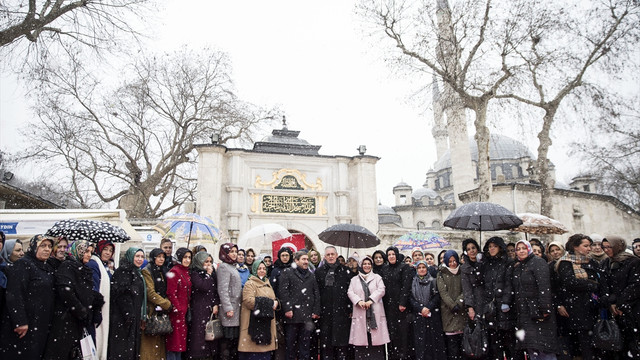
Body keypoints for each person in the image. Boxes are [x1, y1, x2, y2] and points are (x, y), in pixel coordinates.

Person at [45, 240, 104, 360]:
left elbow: (83, 291)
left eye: (90, 252)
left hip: (77, 322)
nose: (89, 255)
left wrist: (95, 301)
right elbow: (66, 292)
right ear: (78, 251)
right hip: (66, 319)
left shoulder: (81, 268)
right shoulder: (68, 267)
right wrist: (81, 310)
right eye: (86, 251)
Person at [0, 234, 55, 359]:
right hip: (26, 325)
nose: (47, 249)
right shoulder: (23, 264)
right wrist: (20, 321)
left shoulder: (46, 267)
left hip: (40, 322)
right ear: (34, 246)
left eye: (50, 246)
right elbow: (14, 293)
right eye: (43, 245)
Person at [555, 234, 603, 360]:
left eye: (589, 246)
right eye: (585, 246)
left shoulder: (591, 261)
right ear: (575, 247)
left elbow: (600, 280)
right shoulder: (565, 262)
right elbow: (570, 282)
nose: (589, 249)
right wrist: (591, 285)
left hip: (592, 306)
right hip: (576, 308)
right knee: (582, 343)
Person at [512, 240, 559, 359]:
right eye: (518, 249)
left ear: (529, 249)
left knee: (544, 347)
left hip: (538, 311)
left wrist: (544, 308)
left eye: (523, 248)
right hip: (525, 313)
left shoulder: (538, 262)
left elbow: (544, 286)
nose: (521, 251)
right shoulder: (519, 266)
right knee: (532, 347)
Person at [601, 236, 640, 358]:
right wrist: (610, 302)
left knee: (633, 342)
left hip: (631, 308)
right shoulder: (605, 263)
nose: (606, 250)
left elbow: (635, 284)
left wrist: (621, 303)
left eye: (609, 247)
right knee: (618, 343)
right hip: (613, 310)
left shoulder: (633, 262)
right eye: (605, 247)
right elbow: (604, 285)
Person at [481, 237, 520, 360]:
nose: (491, 249)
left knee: (509, 342)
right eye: (489, 246)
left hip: (505, 309)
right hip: (491, 309)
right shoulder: (486, 264)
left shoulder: (507, 263)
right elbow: (481, 283)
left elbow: (508, 284)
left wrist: (506, 301)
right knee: (494, 344)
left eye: (494, 246)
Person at [315, 246, 356, 360]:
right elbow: (316, 292)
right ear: (325, 257)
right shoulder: (319, 272)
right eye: (328, 255)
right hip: (325, 313)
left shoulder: (345, 271)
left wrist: (350, 309)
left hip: (342, 313)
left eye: (332, 254)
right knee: (327, 345)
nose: (331, 256)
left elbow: (351, 291)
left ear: (336, 255)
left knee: (342, 345)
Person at [279, 251, 321, 360]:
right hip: (292, 316)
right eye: (303, 259)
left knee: (305, 346)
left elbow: (316, 293)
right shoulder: (287, 272)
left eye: (307, 259)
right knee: (291, 346)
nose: (306, 261)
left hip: (307, 317)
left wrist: (316, 311)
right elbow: (283, 292)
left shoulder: (311, 275)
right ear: (296, 260)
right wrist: (287, 309)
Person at [347, 256, 390, 360]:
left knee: (376, 343)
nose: (367, 266)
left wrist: (371, 300)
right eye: (364, 264)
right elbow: (350, 292)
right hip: (360, 313)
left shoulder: (377, 277)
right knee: (361, 343)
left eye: (369, 264)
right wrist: (359, 301)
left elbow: (381, 290)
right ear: (361, 266)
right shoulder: (354, 279)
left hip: (375, 313)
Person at [108, 247, 146, 360]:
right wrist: (129, 314)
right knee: (122, 348)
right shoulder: (124, 271)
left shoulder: (137, 272)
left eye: (142, 257)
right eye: (137, 256)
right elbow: (121, 294)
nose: (140, 259)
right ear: (131, 257)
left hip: (133, 317)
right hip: (123, 319)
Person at [238, 259, 279, 360]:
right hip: (255, 323)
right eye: (259, 268)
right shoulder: (250, 283)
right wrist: (270, 304)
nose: (262, 270)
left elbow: (273, 298)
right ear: (255, 269)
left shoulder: (267, 282)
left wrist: (276, 302)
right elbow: (249, 301)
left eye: (264, 268)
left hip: (266, 324)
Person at [380, 246, 413, 360]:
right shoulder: (385, 268)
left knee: (403, 335)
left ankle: (403, 356)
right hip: (389, 307)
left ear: (397, 255)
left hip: (401, 308)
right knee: (391, 335)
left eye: (393, 254)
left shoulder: (404, 267)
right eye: (389, 255)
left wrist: (402, 302)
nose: (391, 256)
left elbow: (406, 286)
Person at [187, 251, 220, 360]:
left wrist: (215, 304)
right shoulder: (195, 273)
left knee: (209, 335)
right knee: (199, 337)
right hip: (199, 309)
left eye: (210, 262)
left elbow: (214, 290)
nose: (209, 264)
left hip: (209, 309)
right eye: (206, 262)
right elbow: (203, 286)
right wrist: (208, 275)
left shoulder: (211, 273)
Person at [410, 260, 446, 360]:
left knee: (433, 342)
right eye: (419, 268)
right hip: (419, 315)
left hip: (432, 315)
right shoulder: (412, 281)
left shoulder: (433, 280)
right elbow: (410, 298)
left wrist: (428, 307)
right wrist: (420, 308)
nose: (421, 270)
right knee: (421, 343)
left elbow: (437, 296)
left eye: (423, 267)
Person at [140, 248, 172, 360]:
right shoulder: (147, 270)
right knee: (150, 344)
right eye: (159, 257)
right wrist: (165, 303)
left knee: (159, 340)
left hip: (161, 311)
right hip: (151, 310)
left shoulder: (162, 271)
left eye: (163, 257)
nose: (161, 259)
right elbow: (150, 292)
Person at [87, 239, 114, 360]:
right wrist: (97, 310)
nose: (108, 253)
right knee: (95, 342)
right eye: (105, 249)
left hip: (102, 309)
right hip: (96, 310)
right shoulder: (94, 264)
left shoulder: (104, 265)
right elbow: (94, 290)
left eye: (110, 250)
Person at [437, 250, 466, 360]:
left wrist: (459, 302)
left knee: (463, 344)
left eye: (454, 261)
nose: (453, 263)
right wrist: (452, 305)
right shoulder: (441, 273)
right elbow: (443, 292)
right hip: (448, 311)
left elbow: (465, 289)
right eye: (450, 261)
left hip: (461, 311)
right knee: (452, 346)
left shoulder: (462, 271)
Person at [166, 248, 193, 360]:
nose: (187, 260)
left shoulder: (186, 271)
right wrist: (178, 308)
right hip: (177, 313)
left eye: (189, 257)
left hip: (183, 313)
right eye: (185, 257)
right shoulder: (174, 271)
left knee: (180, 343)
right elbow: (171, 293)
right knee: (174, 343)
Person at [217, 243, 242, 360]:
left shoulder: (232, 266)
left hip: (236, 309)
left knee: (233, 342)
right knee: (227, 341)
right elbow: (223, 289)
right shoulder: (224, 267)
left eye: (235, 252)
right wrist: (228, 308)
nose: (234, 254)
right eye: (231, 251)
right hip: (230, 309)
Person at [461, 238, 484, 322]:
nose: (472, 251)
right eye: (468, 249)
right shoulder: (464, 268)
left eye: (473, 248)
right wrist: (470, 307)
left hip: (487, 298)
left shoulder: (485, 263)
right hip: (475, 301)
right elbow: (467, 289)